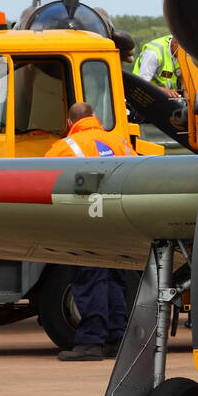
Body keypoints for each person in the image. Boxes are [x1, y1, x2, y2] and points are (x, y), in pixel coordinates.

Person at [45, 103, 136, 360]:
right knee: (115, 280)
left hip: (85, 222)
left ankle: (90, 343)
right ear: (95, 117)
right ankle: (117, 340)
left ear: (69, 121)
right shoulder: (120, 142)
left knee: (89, 281)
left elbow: (46, 184)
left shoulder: (65, 147)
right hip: (117, 221)